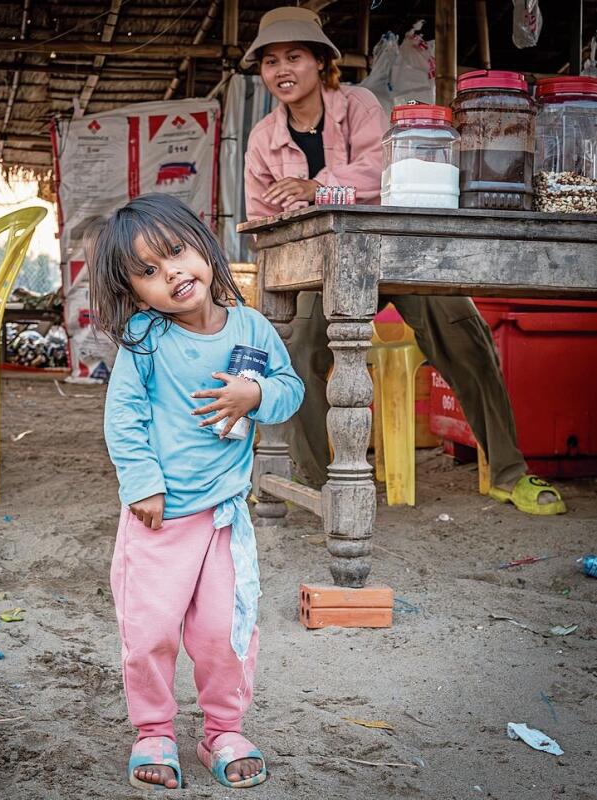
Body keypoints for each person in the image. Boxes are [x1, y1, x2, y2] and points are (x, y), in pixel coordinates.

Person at [241, 5, 566, 516]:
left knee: (465, 331)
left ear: (321, 62)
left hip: (395, 251)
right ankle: (325, 485)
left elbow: (383, 174)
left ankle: (510, 472)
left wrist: (316, 188)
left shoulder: (362, 105)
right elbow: (261, 222)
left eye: (295, 57)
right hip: (319, 268)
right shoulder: (263, 139)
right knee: (296, 353)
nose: (282, 70)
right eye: (270, 61)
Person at [85, 193, 304, 789]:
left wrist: (255, 396)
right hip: (158, 520)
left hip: (224, 521)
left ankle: (222, 731)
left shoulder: (252, 326)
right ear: (135, 293)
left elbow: (291, 388)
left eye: (177, 252)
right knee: (150, 629)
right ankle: (153, 730)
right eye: (150, 272)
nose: (173, 273)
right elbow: (124, 415)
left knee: (224, 631)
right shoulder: (145, 337)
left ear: (204, 246)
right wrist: (143, 484)